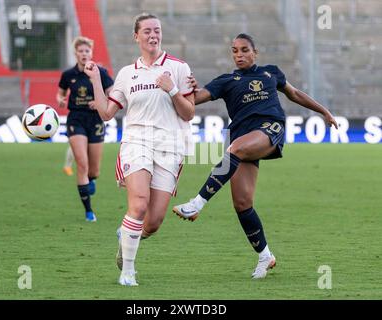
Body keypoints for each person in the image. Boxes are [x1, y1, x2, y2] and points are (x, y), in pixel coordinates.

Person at [173, 33, 338, 279]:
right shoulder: (226, 80)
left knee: (235, 148)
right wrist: (180, 90)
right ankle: (265, 256)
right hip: (241, 138)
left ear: (255, 52)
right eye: (234, 51)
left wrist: (323, 111)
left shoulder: (271, 73)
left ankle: (196, 204)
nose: (239, 55)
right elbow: (194, 101)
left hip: (269, 129)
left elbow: (294, 94)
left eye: (244, 50)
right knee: (242, 203)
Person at [84, 13, 195, 286]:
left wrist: (172, 90)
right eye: (146, 31)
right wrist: (96, 80)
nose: (153, 35)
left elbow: (189, 112)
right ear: (136, 36)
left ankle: (127, 235)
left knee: (154, 221)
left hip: (169, 147)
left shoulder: (179, 68)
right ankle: (128, 271)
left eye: (157, 30)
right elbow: (107, 113)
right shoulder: (126, 73)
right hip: (137, 142)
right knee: (139, 204)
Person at [57, 36, 114, 222]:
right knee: (82, 164)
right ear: (76, 53)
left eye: (87, 51)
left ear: (91, 53)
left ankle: (92, 179)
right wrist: (60, 99)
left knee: (94, 171)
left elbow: (112, 94)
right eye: (80, 51)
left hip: (95, 120)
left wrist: (100, 102)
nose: (84, 54)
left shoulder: (101, 72)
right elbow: (61, 92)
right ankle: (89, 211)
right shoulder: (68, 75)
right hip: (75, 119)